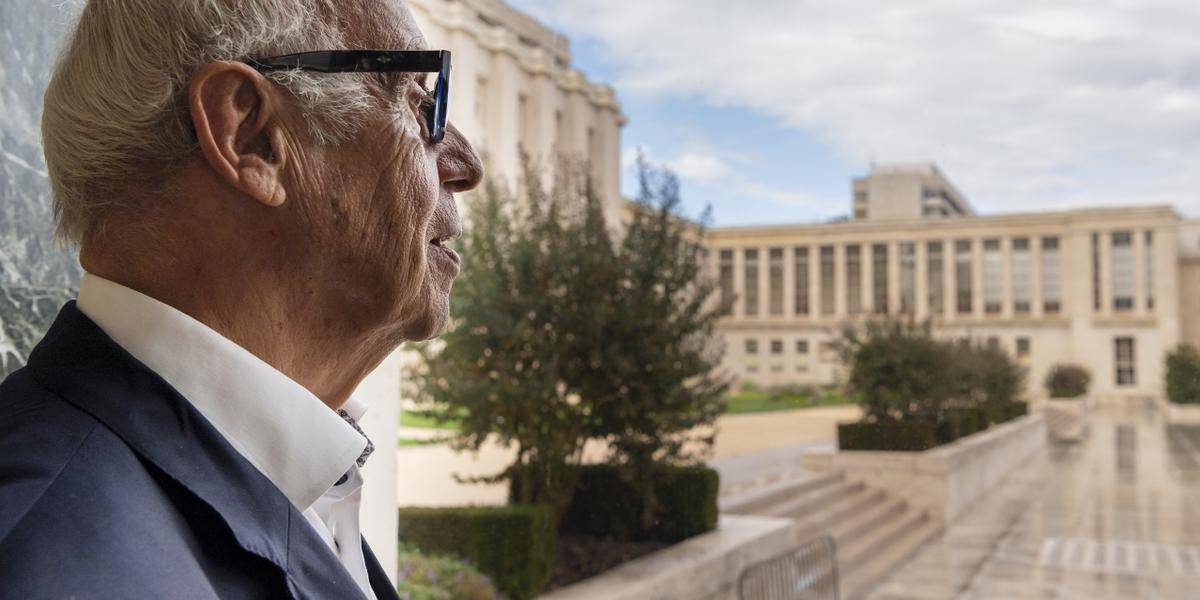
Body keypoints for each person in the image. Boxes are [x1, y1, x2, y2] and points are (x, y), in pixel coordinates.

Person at [0, 1, 482, 598]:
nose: (466, 165)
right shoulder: (51, 561)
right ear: (252, 136)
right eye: (420, 101)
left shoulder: (285, 472)